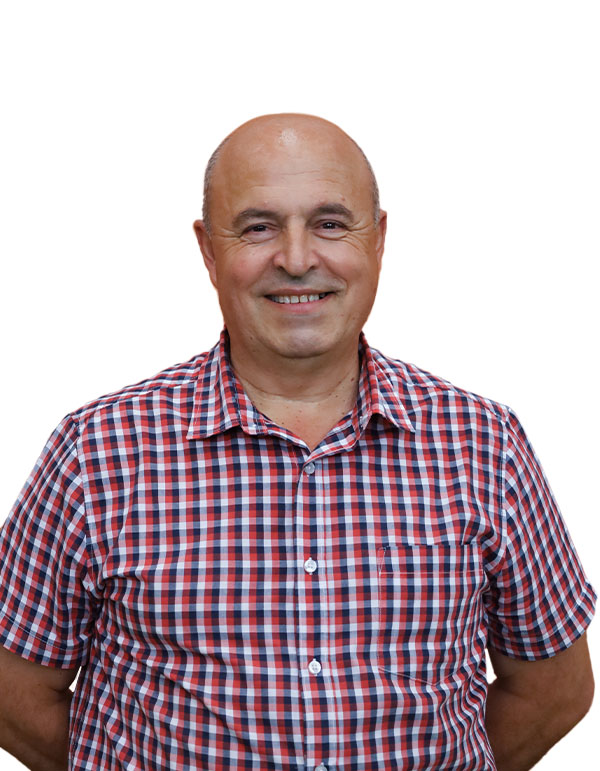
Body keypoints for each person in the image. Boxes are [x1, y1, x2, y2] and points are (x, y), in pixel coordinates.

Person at [0, 113, 595, 771]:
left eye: (330, 224)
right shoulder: (97, 452)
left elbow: (552, 690)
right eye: (258, 227)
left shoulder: (484, 444)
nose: (297, 258)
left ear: (379, 239)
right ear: (208, 250)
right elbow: (13, 693)